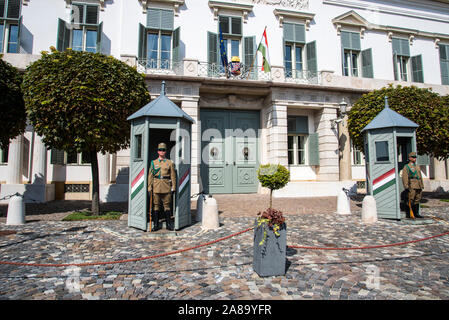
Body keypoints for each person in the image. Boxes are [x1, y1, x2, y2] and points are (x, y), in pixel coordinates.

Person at [148, 143, 176, 230]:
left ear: (166, 151)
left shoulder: (170, 163)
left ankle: (168, 225)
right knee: (156, 206)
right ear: (157, 151)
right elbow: (150, 175)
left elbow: (173, 176)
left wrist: (173, 187)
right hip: (156, 187)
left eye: (163, 150)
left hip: (166, 186)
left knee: (167, 206)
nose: (162, 151)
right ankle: (156, 225)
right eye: (160, 150)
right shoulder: (153, 162)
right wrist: (149, 187)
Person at [401, 152, 424, 218]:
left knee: (417, 199)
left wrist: (421, 185)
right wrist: (406, 186)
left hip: (418, 185)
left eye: (415, 157)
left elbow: (420, 176)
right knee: (411, 199)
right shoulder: (407, 167)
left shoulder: (417, 166)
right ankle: (409, 214)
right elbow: (405, 177)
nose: (414, 159)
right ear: (410, 158)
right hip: (412, 185)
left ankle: (416, 213)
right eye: (413, 157)